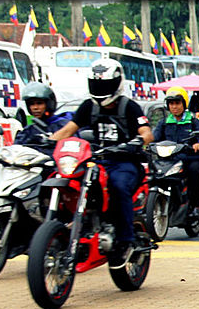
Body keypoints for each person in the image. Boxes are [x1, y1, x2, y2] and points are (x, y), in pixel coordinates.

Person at [50, 57, 154, 269]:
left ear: (117, 83)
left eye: (104, 84)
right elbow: (69, 129)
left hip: (125, 162)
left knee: (117, 186)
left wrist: (137, 141)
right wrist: (48, 141)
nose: (100, 88)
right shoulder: (89, 106)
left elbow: (147, 132)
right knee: (67, 181)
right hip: (96, 160)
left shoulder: (130, 107)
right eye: (96, 83)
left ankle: (125, 241)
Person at [151, 85, 199, 214]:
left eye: (177, 103)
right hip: (169, 159)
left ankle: (195, 206)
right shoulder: (164, 122)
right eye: (171, 103)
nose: (174, 106)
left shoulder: (193, 122)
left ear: (184, 104)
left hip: (190, 159)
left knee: (195, 172)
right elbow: (154, 138)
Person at [13, 82, 73, 148]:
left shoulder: (64, 126)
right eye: (31, 104)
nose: (35, 107)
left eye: (39, 103)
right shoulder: (27, 131)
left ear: (49, 104)